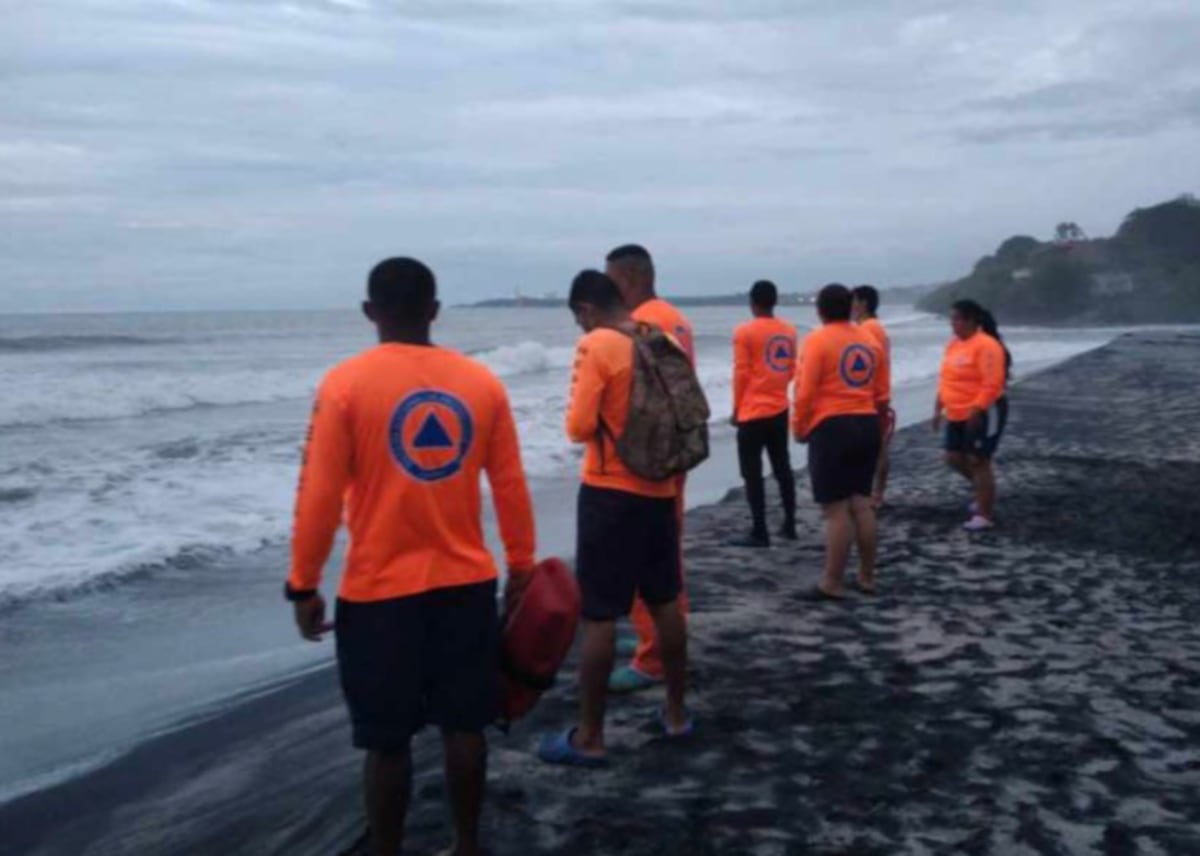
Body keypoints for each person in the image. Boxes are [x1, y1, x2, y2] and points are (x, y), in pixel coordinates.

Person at [285, 257, 537, 856]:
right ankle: (468, 844)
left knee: (387, 740)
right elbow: (509, 484)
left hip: (378, 593)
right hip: (466, 583)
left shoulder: (344, 386)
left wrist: (303, 582)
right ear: (435, 311)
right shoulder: (481, 384)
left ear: (370, 312)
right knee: (464, 724)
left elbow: (318, 497)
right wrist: (522, 564)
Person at [537, 270, 691, 767]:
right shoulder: (659, 336)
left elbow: (580, 426)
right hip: (661, 488)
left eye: (577, 319)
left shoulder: (596, 345)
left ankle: (591, 736)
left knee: (600, 614)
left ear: (585, 310)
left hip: (611, 493)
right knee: (665, 600)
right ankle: (675, 714)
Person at [602, 244, 694, 694]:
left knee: (648, 561)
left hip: (650, 458)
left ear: (628, 278)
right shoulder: (675, 317)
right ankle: (664, 645)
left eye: (611, 281)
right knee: (665, 555)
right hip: (675, 450)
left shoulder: (642, 324)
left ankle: (653, 656)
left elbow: (642, 398)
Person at [792, 284, 888, 599]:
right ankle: (867, 576)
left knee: (835, 510)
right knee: (861, 503)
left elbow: (805, 391)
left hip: (833, 426)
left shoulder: (817, 340)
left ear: (820, 309)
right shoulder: (869, 339)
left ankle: (832, 582)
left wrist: (799, 426)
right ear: (849, 307)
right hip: (866, 422)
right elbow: (880, 389)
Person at [728, 279, 798, 547]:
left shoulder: (744, 332)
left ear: (752, 302)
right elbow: (791, 368)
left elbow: (741, 373)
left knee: (752, 472)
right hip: (779, 407)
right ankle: (790, 523)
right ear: (775, 301)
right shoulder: (789, 331)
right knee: (783, 466)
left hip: (752, 411)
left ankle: (760, 530)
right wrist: (777, 388)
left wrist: (737, 407)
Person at [934, 299, 1008, 531]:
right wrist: (938, 408)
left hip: (983, 412)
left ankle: (984, 514)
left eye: (956, 318)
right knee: (952, 457)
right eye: (951, 319)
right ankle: (983, 491)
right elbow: (946, 378)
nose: (952, 324)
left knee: (978, 461)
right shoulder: (953, 345)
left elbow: (993, 383)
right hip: (955, 412)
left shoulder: (987, 345)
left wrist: (977, 409)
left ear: (970, 320)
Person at [852, 285, 894, 509]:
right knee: (877, 446)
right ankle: (876, 492)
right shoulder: (873, 327)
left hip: (872, 396)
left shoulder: (869, 328)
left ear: (864, 303)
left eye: (854, 300)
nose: (850, 305)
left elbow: (870, 363)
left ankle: (876, 493)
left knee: (876, 448)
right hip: (878, 393)